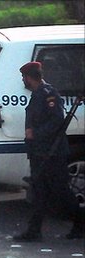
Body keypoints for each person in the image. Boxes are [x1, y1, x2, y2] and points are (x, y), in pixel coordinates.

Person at [13, 61, 84, 241]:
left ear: (29, 78)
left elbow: (56, 122)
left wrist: (35, 133)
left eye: (24, 78)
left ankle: (80, 223)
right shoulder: (38, 94)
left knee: (60, 192)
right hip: (40, 152)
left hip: (52, 153)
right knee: (39, 192)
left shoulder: (48, 95)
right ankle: (34, 231)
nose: (24, 81)